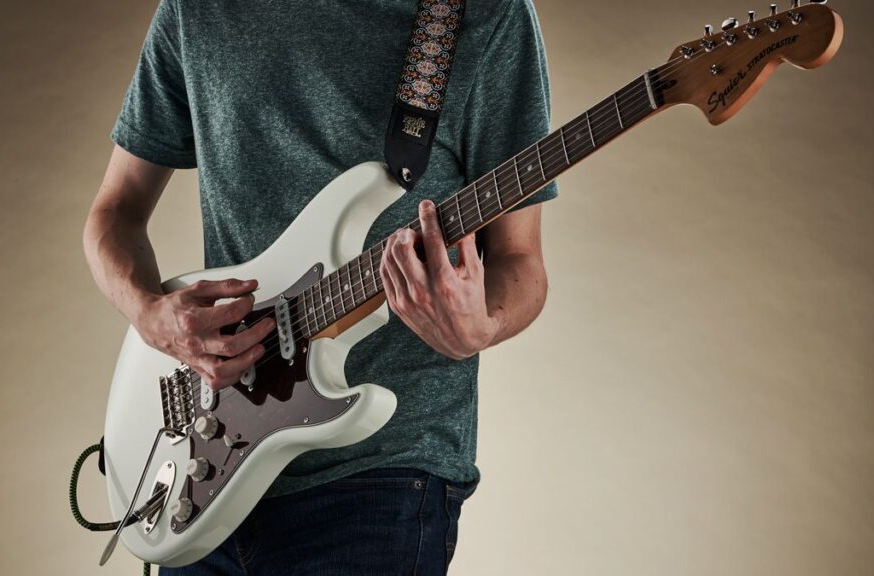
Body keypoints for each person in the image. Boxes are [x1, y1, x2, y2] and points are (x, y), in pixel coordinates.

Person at [83, 0, 557, 573]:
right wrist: (149, 313)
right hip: (208, 453)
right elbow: (114, 213)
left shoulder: (484, 14)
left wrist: (483, 325)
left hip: (382, 472)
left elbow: (520, 259)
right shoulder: (196, 10)